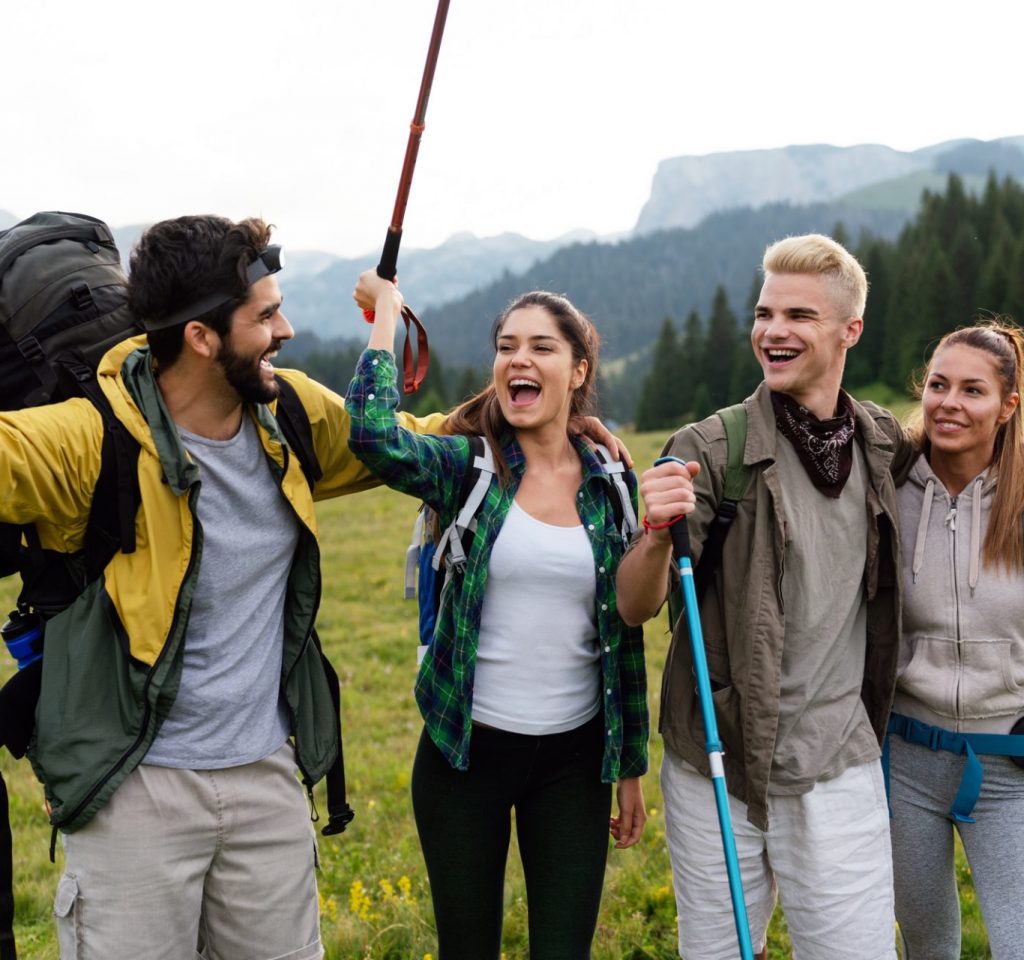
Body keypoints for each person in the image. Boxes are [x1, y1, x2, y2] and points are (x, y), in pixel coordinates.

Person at [0, 215, 448, 960]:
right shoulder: (91, 438)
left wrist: (527, 421)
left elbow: (407, 439)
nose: (288, 328)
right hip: (133, 794)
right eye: (265, 315)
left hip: (268, 781)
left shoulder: (292, 415)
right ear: (203, 339)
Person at [617, 233, 915, 960]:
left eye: (799, 315)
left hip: (837, 764)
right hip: (716, 760)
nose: (773, 331)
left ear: (850, 330)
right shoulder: (709, 447)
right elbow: (633, 605)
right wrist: (655, 532)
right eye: (764, 312)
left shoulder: (880, 443)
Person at [347, 272, 651, 960]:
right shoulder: (469, 469)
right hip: (464, 757)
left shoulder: (610, 480)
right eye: (507, 345)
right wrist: (386, 317)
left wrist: (627, 762)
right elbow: (370, 436)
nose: (519, 357)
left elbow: (623, 638)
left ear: (578, 371)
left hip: (574, 765)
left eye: (541, 347)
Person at [887, 319, 1024, 959]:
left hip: (1011, 765)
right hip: (906, 761)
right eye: (939, 385)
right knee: (928, 947)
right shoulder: (889, 482)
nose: (949, 403)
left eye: (973, 390)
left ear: (1007, 406)